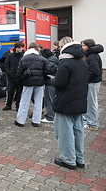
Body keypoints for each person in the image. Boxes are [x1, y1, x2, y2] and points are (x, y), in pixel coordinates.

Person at [51, 36, 89, 170]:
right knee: (78, 131)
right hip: (80, 102)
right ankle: (80, 159)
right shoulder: (83, 62)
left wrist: (51, 80)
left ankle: (68, 160)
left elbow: (59, 84)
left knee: (65, 132)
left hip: (65, 103)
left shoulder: (65, 63)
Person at [14, 42, 52, 127]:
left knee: (24, 101)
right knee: (38, 102)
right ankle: (36, 121)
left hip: (27, 82)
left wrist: (19, 83)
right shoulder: (42, 59)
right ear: (37, 49)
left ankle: (20, 121)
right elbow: (48, 70)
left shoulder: (24, 59)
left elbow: (19, 73)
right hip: (40, 82)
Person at [81, 38, 103, 131]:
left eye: (83, 45)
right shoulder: (91, 55)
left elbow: (95, 71)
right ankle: (89, 119)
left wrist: (85, 77)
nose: (82, 47)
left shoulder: (93, 56)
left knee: (91, 103)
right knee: (90, 102)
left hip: (92, 83)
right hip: (92, 82)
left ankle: (93, 124)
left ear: (88, 46)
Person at [3, 41, 24, 111]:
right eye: (18, 48)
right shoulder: (10, 56)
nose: (20, 49)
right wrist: (9, 73)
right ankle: (8, 105)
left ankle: (18, 105)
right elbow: (6, 65)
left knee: (19, 92)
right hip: (11, 77)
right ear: (15, 48)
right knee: (10, 91)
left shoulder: (23, 56)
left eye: (21, 48)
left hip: (20, 77)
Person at [40, 48, 58, 123]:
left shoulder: (49, 62)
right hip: (55, 82)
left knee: (49, 100)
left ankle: (50, 117)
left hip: (50, 83)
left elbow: (47, 72)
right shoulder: (54, 60)